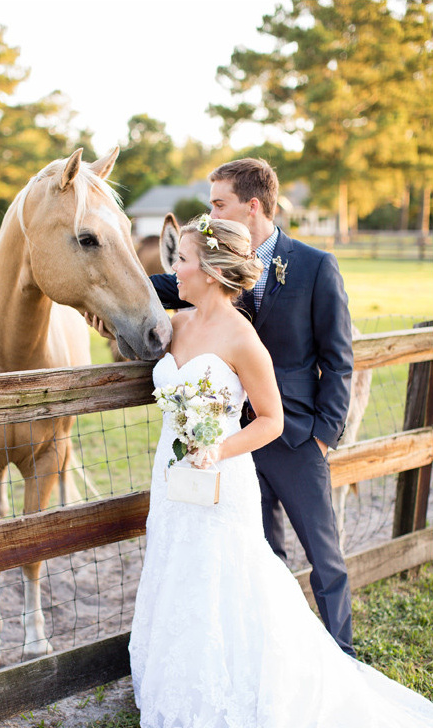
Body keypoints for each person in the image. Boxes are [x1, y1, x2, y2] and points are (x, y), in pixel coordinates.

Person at [128, 216, 433, 728]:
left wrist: (217, 448)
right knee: (178, 570)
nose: (174, 271)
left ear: (212, 270)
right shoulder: (175, 323)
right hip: (172, 480)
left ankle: (243, 693)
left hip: (221, 476)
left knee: (233, 579)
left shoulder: (244, 339)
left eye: (184, 261)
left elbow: (269, 420)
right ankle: (181, 689)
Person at [150, 158, 355, 657]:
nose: (211, 211)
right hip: (228, 446)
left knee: (325, 559)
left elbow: (339, 359)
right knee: (259, 558)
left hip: (295, 437)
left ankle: (343, 657)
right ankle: (270, 656)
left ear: (253, 206)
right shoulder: (207, 269)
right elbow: (153, 290)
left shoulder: (313, 265)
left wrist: (323, 435)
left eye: (219, 203)